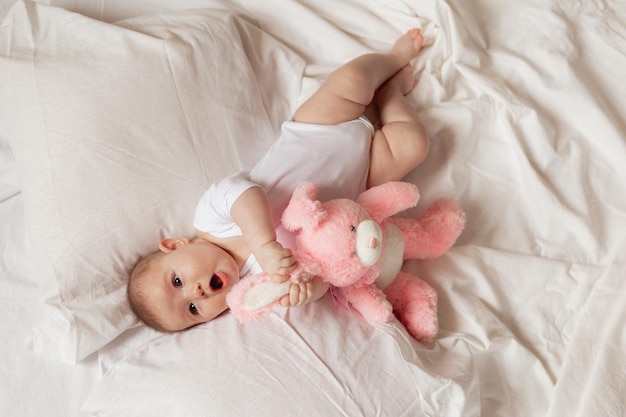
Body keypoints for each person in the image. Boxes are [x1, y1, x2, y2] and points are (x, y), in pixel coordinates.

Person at [128, 28, 431, 332]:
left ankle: (392, 59)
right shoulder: (261, 282)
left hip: (318, 130)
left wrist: (263, 244)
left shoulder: (210, 222)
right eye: (192, 309)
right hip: (363, 176)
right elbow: (325, 267)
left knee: (353, 80)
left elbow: (245, 194)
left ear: (175, 245)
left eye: (177, 281)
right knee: (414, 144)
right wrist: (309, 290)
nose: (196, 292)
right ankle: (392, 96)